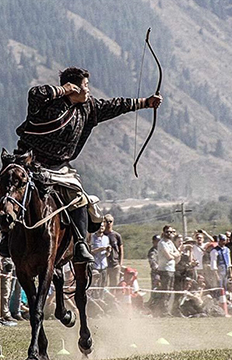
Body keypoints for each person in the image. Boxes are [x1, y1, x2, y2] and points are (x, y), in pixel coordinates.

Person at [8, 66, 162, 264]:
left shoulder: (89, 107)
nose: (88, 90)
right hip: (30, 162)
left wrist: (146, 103)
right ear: (72, 87)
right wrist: (64, 90)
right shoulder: (46, 104)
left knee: (79, 198)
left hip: (60, 167)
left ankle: (80, 243)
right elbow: (35, 93)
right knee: (11, 190)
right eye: (85, 86)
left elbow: (115, 105)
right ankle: (7, 236)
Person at [156, 226, 180, 317]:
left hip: (171, 269)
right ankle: (163, 311)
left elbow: (177, 253)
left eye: (170, 232)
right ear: (164, 232)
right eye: (167, 232)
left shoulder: (170, 243)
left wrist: (172, 255)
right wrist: (173, 255)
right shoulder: (162, 243)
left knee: (170, 291)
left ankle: (167, 310)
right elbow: (168, 257)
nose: (169, 233)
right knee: (165, 291)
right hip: (164, 270)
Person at [90, 222, 109, 299]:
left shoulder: (106, 238)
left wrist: (108, 251)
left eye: (102, 226)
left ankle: (101, 299)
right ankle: (94, 299)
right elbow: (90, 251)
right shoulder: (92, 238)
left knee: (103, 284)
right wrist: (99, 249)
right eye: (99, 226)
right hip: (95, 265)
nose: (101, 228)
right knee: (94, 284)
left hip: (104, 265)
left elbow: (107, 254)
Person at [103, 214, 123, 288]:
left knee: (114, 284)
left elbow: (121, 250)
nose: (108, 223)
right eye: (106, 221)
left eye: (110, 221)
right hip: (104, 264)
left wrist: (120, 264)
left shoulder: (117, 235)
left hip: (114, 263)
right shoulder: (101, 235)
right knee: (103, 284)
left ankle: (114, 298)